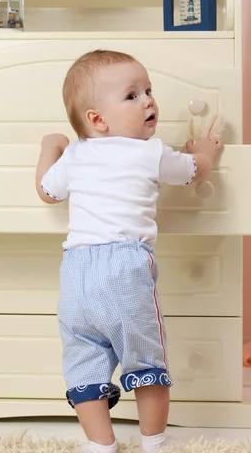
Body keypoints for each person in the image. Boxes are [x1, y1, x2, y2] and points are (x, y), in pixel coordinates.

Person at [35, 50, 223, 453]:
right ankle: (154, 442)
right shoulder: (150, 152)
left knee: (83, 358)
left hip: (76, 273)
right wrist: (206, 150)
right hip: (125, 268)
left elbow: (47, 192)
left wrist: (51, 146)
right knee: (145, 356)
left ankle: (100, 444)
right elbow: (195, 171)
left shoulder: (74, 154)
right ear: (97, 119)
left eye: (148, 91)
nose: (149, 101)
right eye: (132, 95)